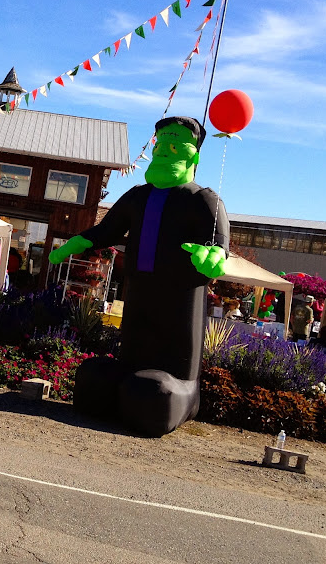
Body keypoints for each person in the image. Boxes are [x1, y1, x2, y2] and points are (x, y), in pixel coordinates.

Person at [49, 116, 229, 437]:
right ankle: (129, 380)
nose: (164, 151)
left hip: (180, 298)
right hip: (138, 292)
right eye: (161, 145)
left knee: (154, 390)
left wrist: (213, 256)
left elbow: (217, 242)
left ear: (194, 156)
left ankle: (182, 392)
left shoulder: (203, 199)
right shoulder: (138, 196)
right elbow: (107, 229)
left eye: (175, 146)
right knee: (99, 377)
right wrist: (77, 242)